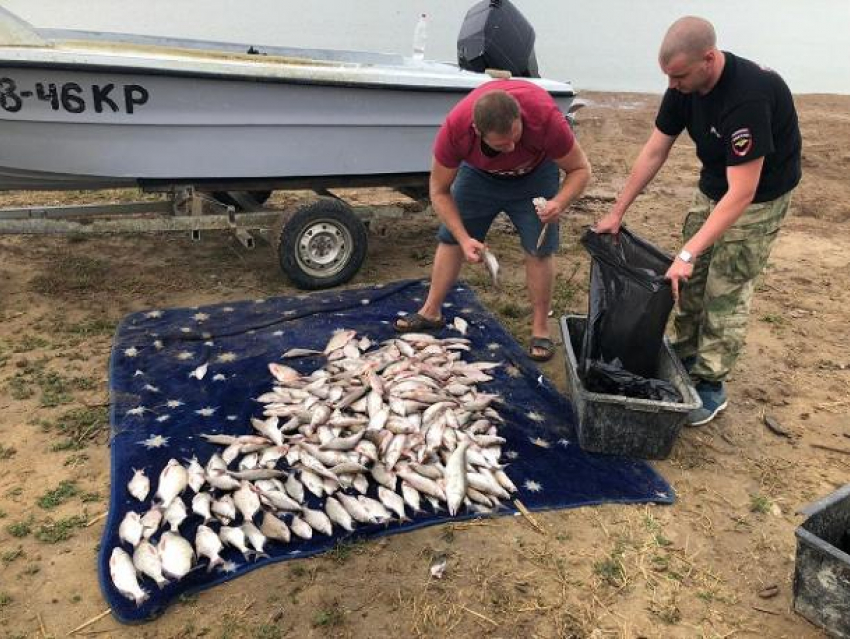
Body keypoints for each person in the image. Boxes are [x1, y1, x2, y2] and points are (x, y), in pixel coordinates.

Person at [595, 16, 802, 425]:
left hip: (758, 197)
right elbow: (655, 150)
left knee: (724, 290)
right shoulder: (681, 86)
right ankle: (686, 354)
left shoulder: (748, 98)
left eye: (679, 75)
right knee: (685, 280)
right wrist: (618, 210)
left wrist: (689, 250)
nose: (672, 85)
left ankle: (710, 384)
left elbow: (742, 192)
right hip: (712, 186)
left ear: (709, 59)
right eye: (668, 76)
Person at [394, 79, 591, 361]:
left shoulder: (544, 118)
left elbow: (581, 169)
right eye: (501, 144)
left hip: (536, 175)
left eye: (515, 136)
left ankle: (540, 329)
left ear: (519, 118)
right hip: (479, 176)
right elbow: (438, 191)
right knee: (450, 238)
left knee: (539, 248)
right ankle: (431, 311)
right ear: (478, 132)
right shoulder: (456, 130)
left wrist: (559, 202)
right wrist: (464, 238)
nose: (511, 148)